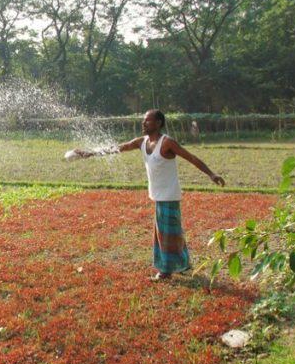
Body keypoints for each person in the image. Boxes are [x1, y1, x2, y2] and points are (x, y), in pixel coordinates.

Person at [70, 110, 225, 281]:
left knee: (165, 234)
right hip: (159, 195)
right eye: (143, 121)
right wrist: (89, 153)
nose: (143, 123)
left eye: (147, 121)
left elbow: (191, 157)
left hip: (169, 196)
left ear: (158, 123)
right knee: (171, 233)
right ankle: (182, 264)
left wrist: (211, 174)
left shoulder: (167, 143)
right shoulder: (141, 142)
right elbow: (117, 148)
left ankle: (166, 271)